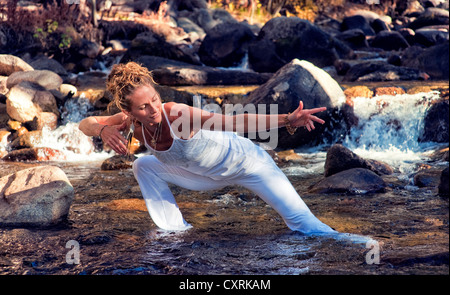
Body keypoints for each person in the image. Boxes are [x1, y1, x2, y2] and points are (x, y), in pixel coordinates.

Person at [79, 62, 335, 234]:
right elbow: (84, 124)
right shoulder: (129, 121)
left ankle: (362, 243)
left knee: (305, 225)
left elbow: (236, 122)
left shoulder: (177, 114)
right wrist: (103, 130)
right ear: (129, 111)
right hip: (204, 176)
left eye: (154, 99)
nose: (153, 109)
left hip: (248, 165)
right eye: (143, 107)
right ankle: (174, 231)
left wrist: (287, 119)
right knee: (143, 165)